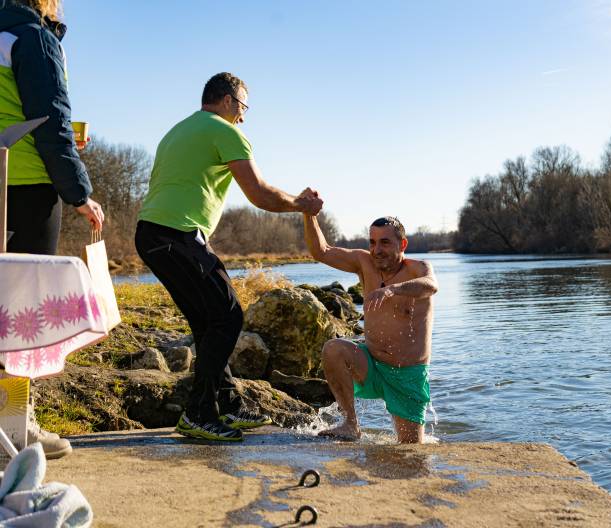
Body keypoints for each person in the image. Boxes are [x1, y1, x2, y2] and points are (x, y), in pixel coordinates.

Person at [135, 72, 323, 442]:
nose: (243, 117)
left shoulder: (178, 130)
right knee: (228, 314)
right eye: (243, 107)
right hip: (176, 233)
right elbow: (259, 193)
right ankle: (199, 413)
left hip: (152, 234)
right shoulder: (225, 130)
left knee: (207, 321)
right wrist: (301, 204)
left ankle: (228, 403)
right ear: (226, 100)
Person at [0, 0, 105, 459]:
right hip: (25, 185)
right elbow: (51, 123)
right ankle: (15, 430)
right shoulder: (32, 37)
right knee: (21, 310)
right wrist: (79, 193)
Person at [303, 213, 438, 443]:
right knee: (334, 349)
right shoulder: (364, 263)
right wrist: (309, 215)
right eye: (372, 242)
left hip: (407, 375)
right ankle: (350, 424)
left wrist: (393, 289)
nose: (377, 250)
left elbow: (431, 285)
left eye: (385, 242)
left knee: (411, 451)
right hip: (371, 364)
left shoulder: (418, 269)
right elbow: (321, 252)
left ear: (402, 244)